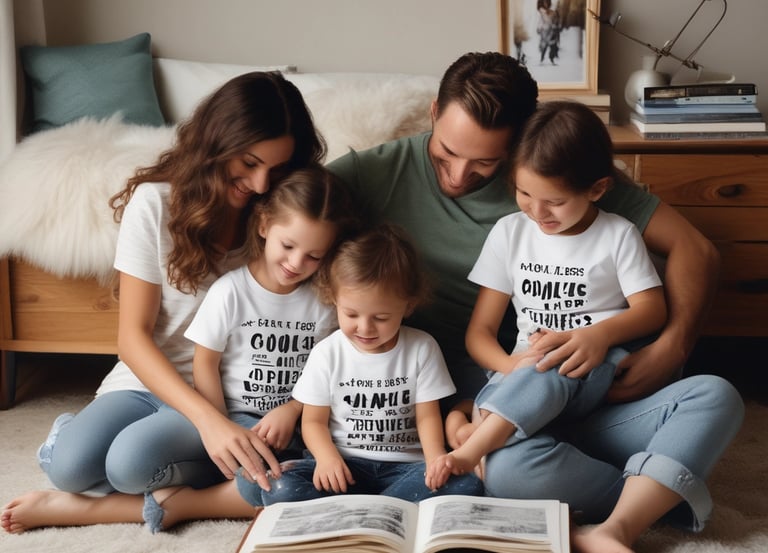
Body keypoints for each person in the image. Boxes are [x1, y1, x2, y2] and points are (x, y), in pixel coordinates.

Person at [326, 51, 744, 552]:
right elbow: (285, 217)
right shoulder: (377, 173)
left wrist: (672, 346)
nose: (458, 176)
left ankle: (627, 498)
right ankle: (654, 493)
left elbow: (695, 249)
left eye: (485, 162)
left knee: (716, 396)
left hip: (593, 387)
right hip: (496, 391)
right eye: (444, 154)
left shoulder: (557, 174)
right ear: (434, 112)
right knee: (510, 469)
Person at [1, 71, 327, 534]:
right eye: (249, 163)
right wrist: (208, 423)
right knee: (69, 469)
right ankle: (71, 436)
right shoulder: (154, 205)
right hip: (143, 379)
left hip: (220, 387)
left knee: (128, 468)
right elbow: (132, 339)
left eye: (275, 170)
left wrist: (219, 416)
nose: (258, 184)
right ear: (217, 143)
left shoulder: (278, 221)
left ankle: (117, 505)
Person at [428, 100, 667, 485]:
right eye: (524, 194)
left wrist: (597, 335)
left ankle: (473, 443)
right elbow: (480, 333)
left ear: (598, 189)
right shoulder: (510, 232)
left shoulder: (617, 234)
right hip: (528, 369)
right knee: (527, 385)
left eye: (554, 202)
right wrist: (511, 369)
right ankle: (616, 484)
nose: (538, 213)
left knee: (548, 363)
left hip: (591, 363)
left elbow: (652, 310)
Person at [256, 224, 484, 506]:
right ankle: (388, 509)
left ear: (408, 306)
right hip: (345, 466)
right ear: (334, 299)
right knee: (279, 487)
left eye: (381, 317)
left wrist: (435, 457)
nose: (365, 328)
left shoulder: (422, 348)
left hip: (406, 469)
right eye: (351, 314)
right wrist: (327, 459)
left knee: (468, 483)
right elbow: (313, 422)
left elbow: (427, 416)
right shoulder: (327, 352)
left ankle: (366, 510)